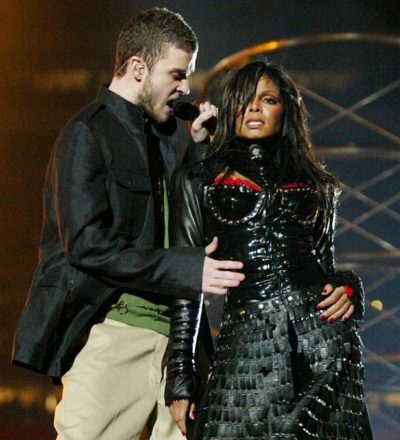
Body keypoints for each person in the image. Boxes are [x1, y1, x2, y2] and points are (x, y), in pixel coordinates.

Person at [12, 8, 244, 440]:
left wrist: (197, 151)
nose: (186, 88)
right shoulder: (86, 133)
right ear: (138, 67)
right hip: (114, 336)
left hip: (179, 345)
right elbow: (86, 245)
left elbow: (180, 224)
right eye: (177, 74)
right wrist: (186, 269)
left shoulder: (167, 137)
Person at [165, 61, 373, 439]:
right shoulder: (199, 179)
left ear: (285, 109)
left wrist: (351, 289)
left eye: (268, 99)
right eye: (245, 100)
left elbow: (325, 266)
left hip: (322, 347)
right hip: (244, 348)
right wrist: (180, 375)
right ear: (230, 109)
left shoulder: (318, 185)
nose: (255, 108)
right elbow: (184, 284)